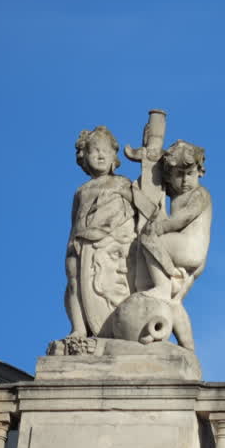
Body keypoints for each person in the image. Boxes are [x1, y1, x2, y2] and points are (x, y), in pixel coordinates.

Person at [135, 140, 212, 349]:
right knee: (174, 302)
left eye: (190, 173)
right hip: (190, 252)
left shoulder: (200, 194)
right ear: (170, 176)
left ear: (200, 172)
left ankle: (162, 285)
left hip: (189, 248)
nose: (185, 180)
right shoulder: (178, 196)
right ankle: (188, 346)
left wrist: (159, 228)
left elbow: (183, 220)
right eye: (179, 174)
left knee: (148, 238)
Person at [65, 126, 135, 338]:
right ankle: (79, 328)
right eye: (94, 151)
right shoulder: (81, 191)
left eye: (105, 150)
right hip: (80, 244)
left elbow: (139, 212)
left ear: (114, 155)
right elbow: (75, 220)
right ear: (84, 157)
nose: (100, 155)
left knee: (111, 285)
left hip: (111, 246)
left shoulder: (123, 183)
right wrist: (72, 245)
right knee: (74, 282)